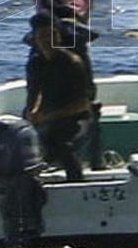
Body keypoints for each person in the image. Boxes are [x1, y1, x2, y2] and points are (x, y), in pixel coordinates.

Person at [24, 13, 93, 182]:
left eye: (51, 35)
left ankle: (76, 183)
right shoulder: (35, 63)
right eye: (42, 36)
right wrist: (32, 113)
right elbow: (34, 93)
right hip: (49, 114)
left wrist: (48, 116)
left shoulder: (72, 63)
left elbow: (83, 104)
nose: (46, 41)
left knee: (60, 142)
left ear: (58, 36)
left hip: (76, 118)